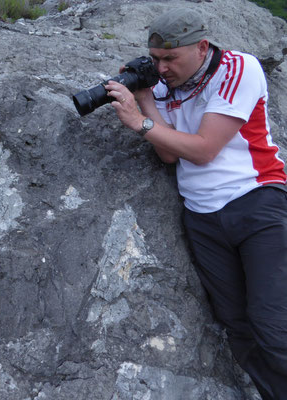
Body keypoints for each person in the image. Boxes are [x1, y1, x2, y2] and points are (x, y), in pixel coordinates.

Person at [104, 7, 287, 400]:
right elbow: (170, 153)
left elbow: (204, 150)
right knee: (239, 329)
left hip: (257, 203)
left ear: (202, 47)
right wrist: (143, 98)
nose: (162, 67)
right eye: (155, 59)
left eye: (171, 58)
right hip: (202, 217)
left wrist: (140, 122)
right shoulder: (162, 86)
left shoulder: (238, 68)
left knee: (274, 326)